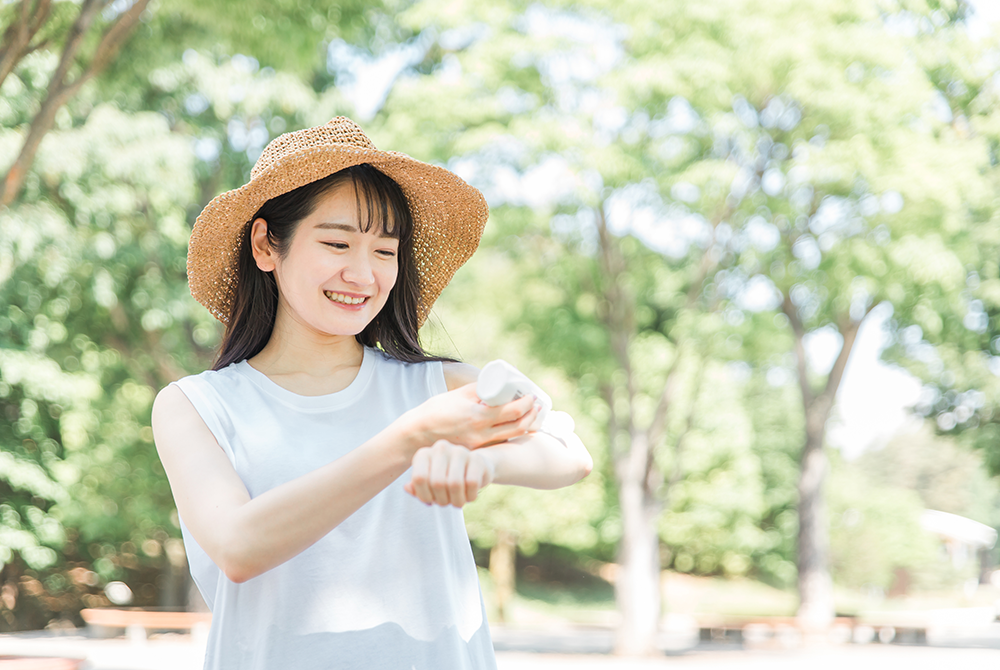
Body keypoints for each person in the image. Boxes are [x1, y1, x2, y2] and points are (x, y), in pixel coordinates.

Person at [151, 117, 593, 670]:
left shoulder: (438, 384)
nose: (363, 274)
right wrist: (413, 438)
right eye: (337, 242)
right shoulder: (196, 405)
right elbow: (239, 547)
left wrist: (482, 463)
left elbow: (570, 456)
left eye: (386, 251)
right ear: (267, 244)